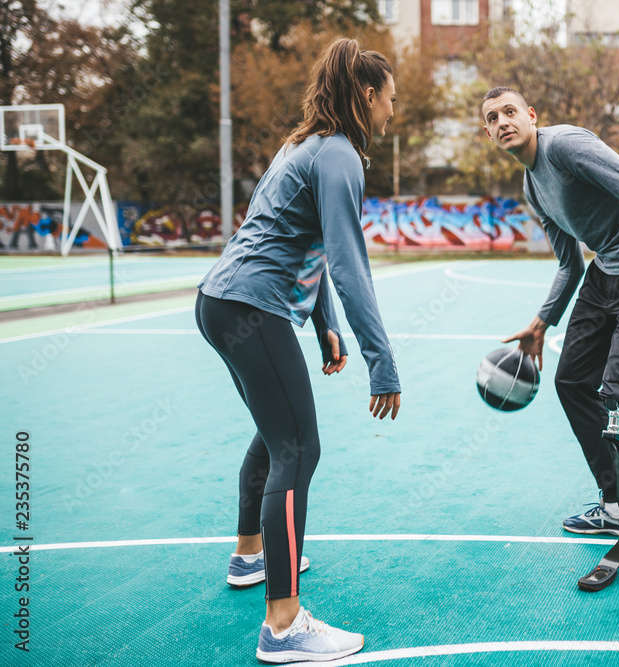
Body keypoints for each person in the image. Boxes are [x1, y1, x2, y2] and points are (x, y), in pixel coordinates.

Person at [195, 39, 400, 664]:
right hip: (253, 307)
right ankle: (284, 626)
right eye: (391, 100)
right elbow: (345, 259)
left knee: (274, 433)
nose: (393, 112)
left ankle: (249, 554)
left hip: (220, 301)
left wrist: (322, 324)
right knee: (297, 447)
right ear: (366, 96)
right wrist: (380, 359)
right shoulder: (341, 155)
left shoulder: (301, 145)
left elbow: (292, 238)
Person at [481, 86, 619, 537]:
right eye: (492, 118)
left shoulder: (565, 147)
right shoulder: (532, 185)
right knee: (570, 381)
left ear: (532, 115)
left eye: (510, 111)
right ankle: (612, 504)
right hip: (604, 274)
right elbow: (569, 263)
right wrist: (541, 323)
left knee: (614, 395)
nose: (502, 121)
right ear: (487, 133)